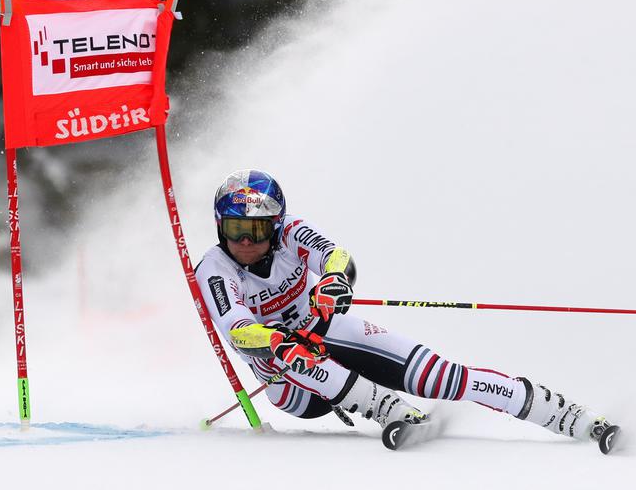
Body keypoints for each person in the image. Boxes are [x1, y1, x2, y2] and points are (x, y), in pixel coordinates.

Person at [196, 169, 612, 446]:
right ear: (220, 226)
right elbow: (236, 328)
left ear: (276, 224)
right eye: (235, 229)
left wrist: (334, 281)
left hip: (323, 329)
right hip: (286, 378)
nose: (246, 241)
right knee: (294, 352)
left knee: (440, 376)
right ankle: (388, 409)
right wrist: (275, 339)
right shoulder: (214, 269)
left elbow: (335, 255)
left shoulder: (293, 233)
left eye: (257, 229)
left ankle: (567, 415)